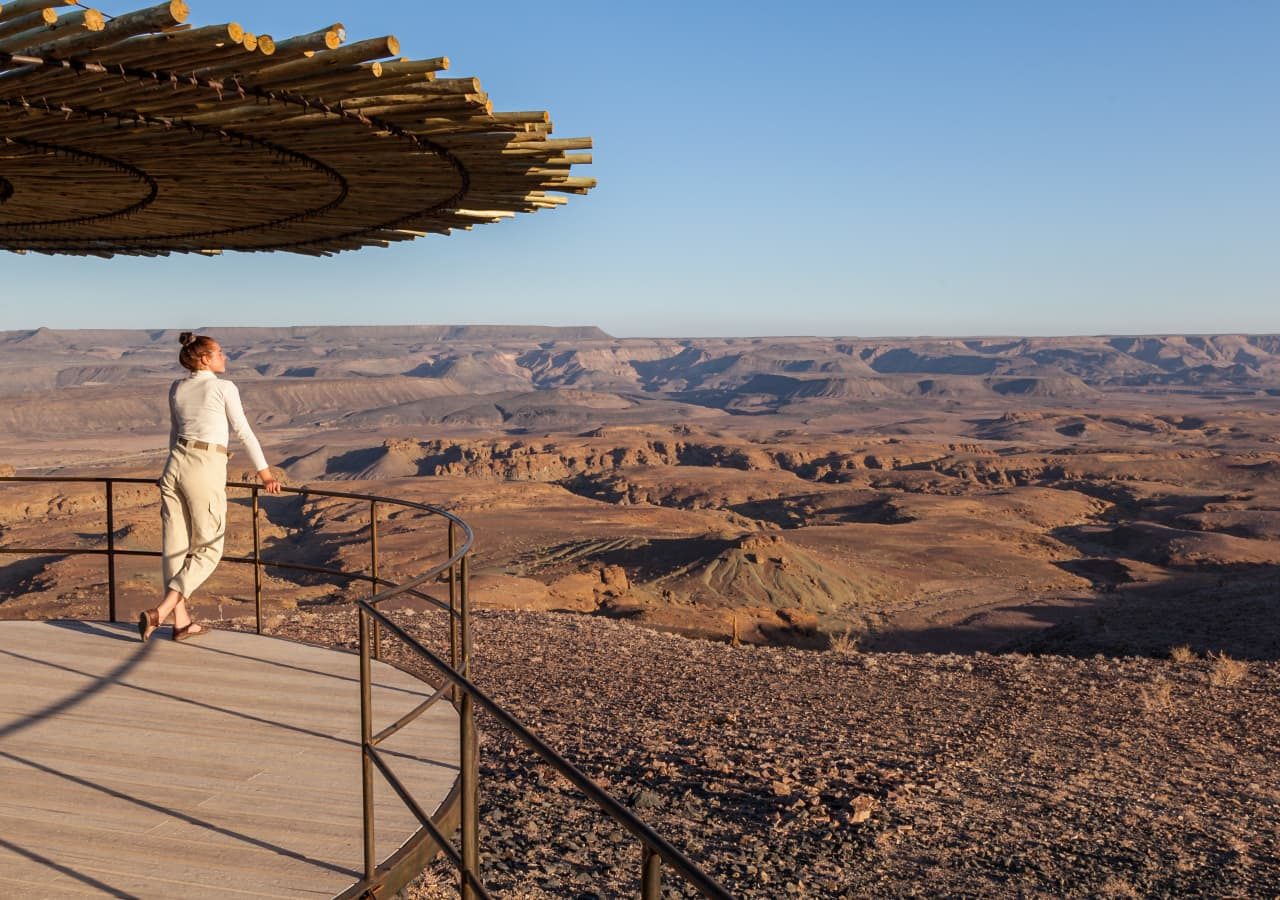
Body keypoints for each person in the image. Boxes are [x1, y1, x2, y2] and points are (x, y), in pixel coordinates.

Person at [138, 333, 281, 642]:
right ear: (204, 358)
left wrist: (169, 470)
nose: (224, 357)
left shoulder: (177, 387)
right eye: (219, 353)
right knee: (210, 546)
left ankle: (181, 622)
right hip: (204, 465)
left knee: (175, 546)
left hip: (175, 465)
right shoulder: (222, 388)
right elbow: (244, 431)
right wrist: (266, 474)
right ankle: (161, 612)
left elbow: (174, 434)